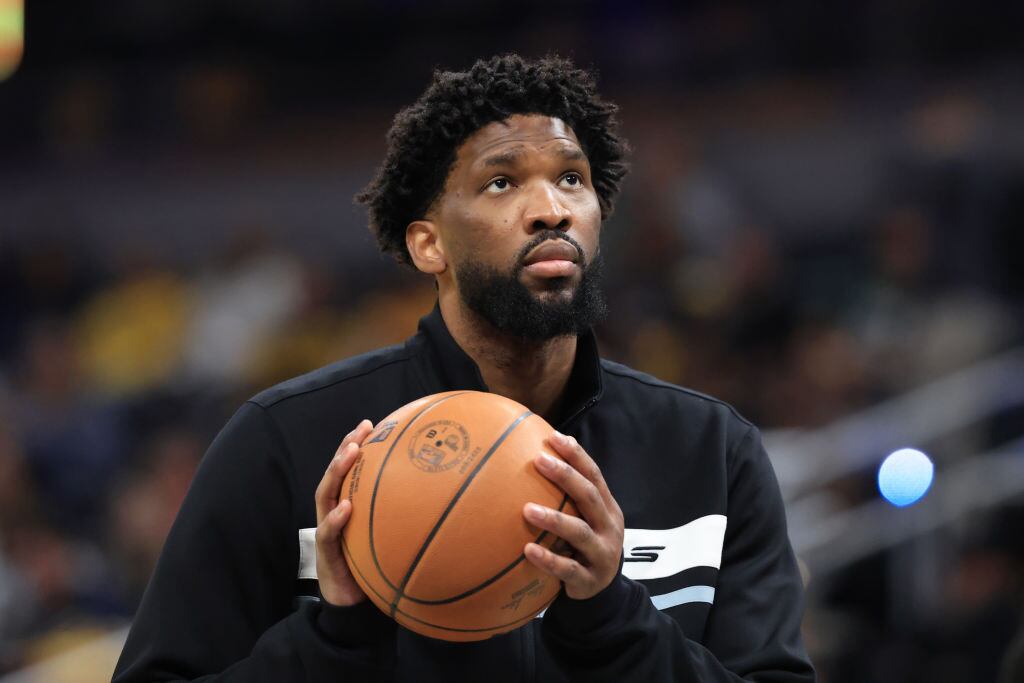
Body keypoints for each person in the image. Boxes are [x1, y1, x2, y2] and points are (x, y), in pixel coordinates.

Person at [112, 54, 815, 682]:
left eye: (572, 179)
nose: (550, 210)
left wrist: (612, 619)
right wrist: (334, 640)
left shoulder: (711, 451)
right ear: (428, 244)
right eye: (503, 182)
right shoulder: (286, 443)